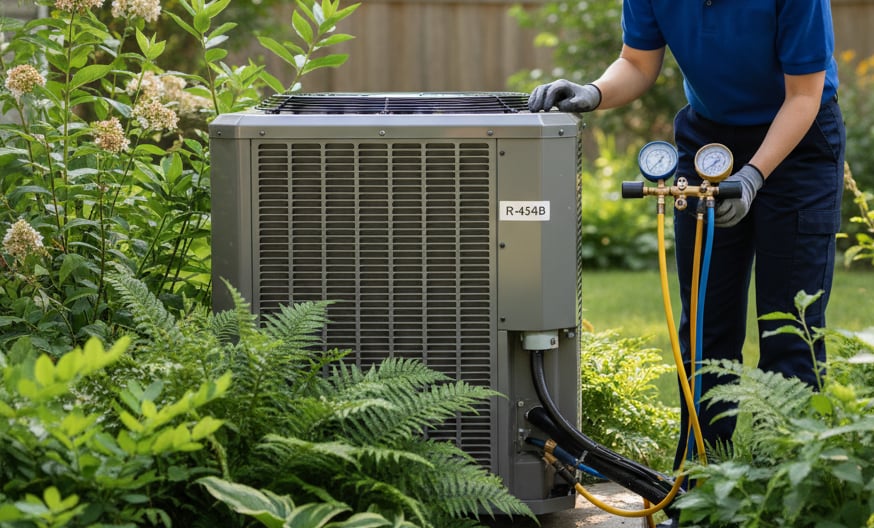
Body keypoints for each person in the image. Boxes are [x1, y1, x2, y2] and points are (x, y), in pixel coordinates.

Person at [528, 1, 845, 526]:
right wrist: (593, 92)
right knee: (704, 331)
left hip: (799, 146)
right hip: (709, 141)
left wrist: (754, 175)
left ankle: (794, 495)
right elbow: (638, 62)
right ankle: (699, 494)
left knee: (790, 330)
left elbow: (805, 94)